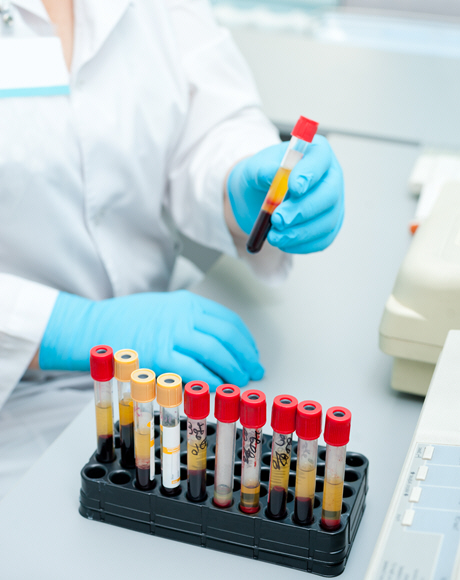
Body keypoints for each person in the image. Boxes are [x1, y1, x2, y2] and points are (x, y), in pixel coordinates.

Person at [0, 0, 344, 497]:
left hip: (161, 361)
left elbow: (209, 115)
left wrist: (239, 177)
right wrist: (61, 328)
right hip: (20, 408)